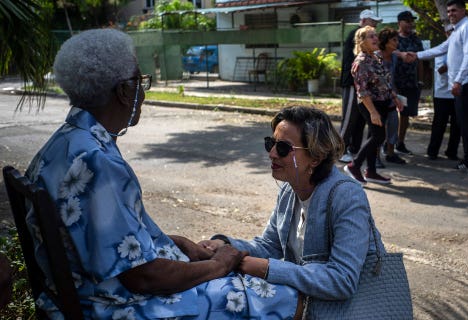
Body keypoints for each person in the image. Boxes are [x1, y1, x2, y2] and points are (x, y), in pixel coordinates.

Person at [23, 29, 300, 319]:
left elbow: (99, 234)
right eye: (140, 82)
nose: (142, 94)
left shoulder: (66, 142)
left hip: (83, 291)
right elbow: (144, 278)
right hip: (111, 305)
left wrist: (174, 241)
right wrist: (220, 265)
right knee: (283, 297)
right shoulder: (96, 162)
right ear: (123, 91)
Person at [199, 106, 387, 307]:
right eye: (271, 143)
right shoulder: (290, 190)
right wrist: (224, 245)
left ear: (316, 157)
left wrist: (268, 269)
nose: (271, 153)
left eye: (283, 148)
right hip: (308, 304)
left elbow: (342, 280)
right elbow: (269, 246)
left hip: (351, 309)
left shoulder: (346, 195)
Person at [416, 0, 468, 176]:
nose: (450, 14)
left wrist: (458, 81)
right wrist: (416, 55)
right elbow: (441, 48)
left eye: (454, 10)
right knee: (463, 124)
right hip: (461, 84)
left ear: (464, 10)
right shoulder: (457, 30)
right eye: (448, 11)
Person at [343, 26, 403, 184]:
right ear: (362, 42)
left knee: (373, 136)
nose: (375, 38)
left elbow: (384, 81)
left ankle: (371, 171)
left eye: (375, 35)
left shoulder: (376, 57)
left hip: (382, 102)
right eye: (371, 37)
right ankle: (354, 166)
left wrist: (395, 97)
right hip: (370, 104)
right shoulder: (361, 62)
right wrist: (373, 112)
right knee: (379, 136)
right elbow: (362, 92)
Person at [339, 9, 382, 164]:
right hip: (352, 83)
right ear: (363, 21)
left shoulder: (368, 39)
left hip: (363, 85)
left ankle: (354, 149)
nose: (375, 26)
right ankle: (339, 150)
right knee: (349, 118)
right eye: (372, 22)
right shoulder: (357, 34)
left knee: (360, 120)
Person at [426, 24, 460, 161]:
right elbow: (441, 69)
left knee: (457, 125)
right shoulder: (442, 49)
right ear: (446, 33)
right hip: (442, 94)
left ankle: (452, 152)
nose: (452, 34)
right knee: (439, 124)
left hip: (456, 92)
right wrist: (456, 61)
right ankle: (432, 151)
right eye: (450, 31)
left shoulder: (460, 48)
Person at [394, 10, 424, 155]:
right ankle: (388, 143)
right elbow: (384, 52)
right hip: (395, 83)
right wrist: (400, 54)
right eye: (407, 21)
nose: (410, 24)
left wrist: (421, 80)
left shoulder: (415, 39)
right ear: (399, 23)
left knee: (405, 115)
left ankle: (400, 143)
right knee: (391, 115)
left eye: (411, 21)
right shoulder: (393, 38)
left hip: (411, 83)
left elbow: (420, 59)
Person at [378, 27, 407, 165]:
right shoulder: (376, 56)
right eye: (394, 40)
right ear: (385, 41)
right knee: (377, 128)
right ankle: (375, 157)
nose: (397, 42)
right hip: (377, 97)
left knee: (393, 123)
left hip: (392, 96)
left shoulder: (395, 57)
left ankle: (390, 153)